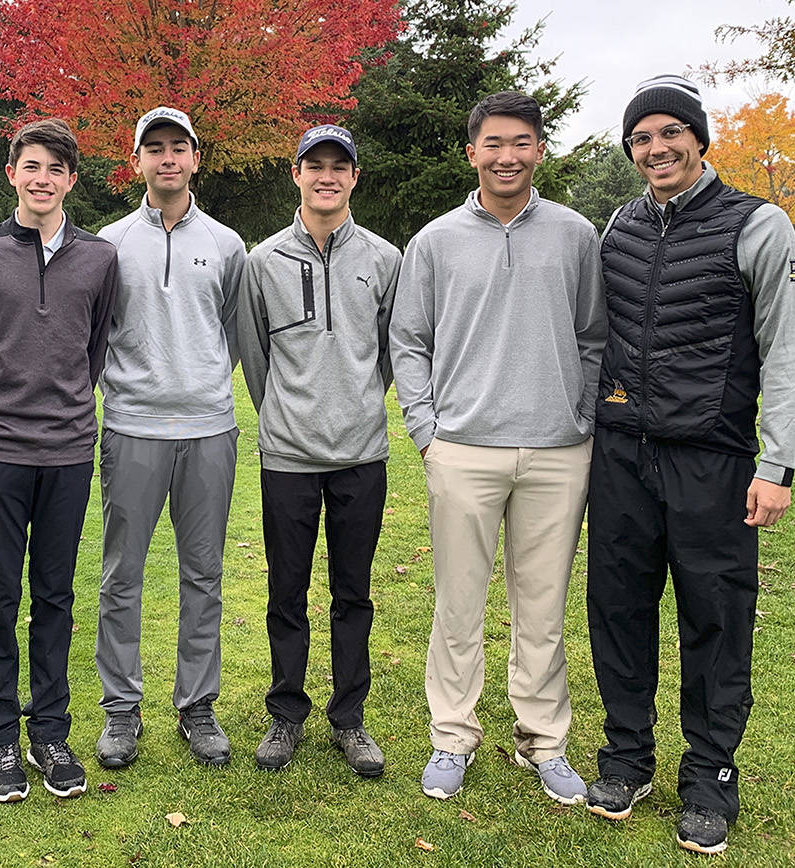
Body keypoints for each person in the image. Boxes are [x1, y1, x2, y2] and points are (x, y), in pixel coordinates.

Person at [585, 74, 795, 856]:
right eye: (641, 138)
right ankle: (627, 756)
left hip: (712, 459)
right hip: (620, 454)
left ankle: (710, 775)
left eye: (669, 132)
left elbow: (784, 353)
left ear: (698, 139)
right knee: (617, 606)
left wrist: (776, 465)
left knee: (715, 619)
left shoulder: (758, 223)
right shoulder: (619, 224)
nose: (656, 148)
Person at [390, 91, 606, 806]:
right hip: (463, 450)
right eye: (493, 144)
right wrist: (427, 430)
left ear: (539, 149)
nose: (507, 156)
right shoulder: (435, 240)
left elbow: (593, 338)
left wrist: (578, 415)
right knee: (458, 604)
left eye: (521, 143)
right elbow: (408, 342)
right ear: (472, 152)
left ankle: (542, 741)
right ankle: (452, 735)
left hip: (557, 452)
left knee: (542, 608)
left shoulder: (576, 235)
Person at [0, 118, 118, 802]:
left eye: (55, 168)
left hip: (70, 451)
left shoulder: (100, 258)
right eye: (31, 166)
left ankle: (49, 730)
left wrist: (64, 409)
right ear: (12, 174)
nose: (42, 178)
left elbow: (94, 350)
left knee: (55, 596)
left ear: (71, 179)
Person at [238, 124, 400, 778]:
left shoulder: (386, 260)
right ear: (296, 174)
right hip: (288, 455)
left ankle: (349, 718)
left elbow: (391, 351)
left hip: (361, 452)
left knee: (352, 593)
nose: (326, 175)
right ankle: (286, 713)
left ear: (354, 177)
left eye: (340, 165)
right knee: (287, 591)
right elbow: (254, 356)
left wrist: (360, 400)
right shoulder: (263, 261)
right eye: (315, 165)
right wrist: (284, 412)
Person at [93, 107, 246, 769]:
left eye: (177, 147)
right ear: (137, 162)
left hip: (210, 431)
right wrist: (134, 391)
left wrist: (199, 384)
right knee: (121, 578)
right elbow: (93, 339)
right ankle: (121, 712)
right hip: (132, 431)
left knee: (203, 577)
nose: (167, 159)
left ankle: (197, 707)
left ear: (195, 158)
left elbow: (236, 336)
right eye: (153, 148)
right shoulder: (109, 243)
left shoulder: (228, 244)